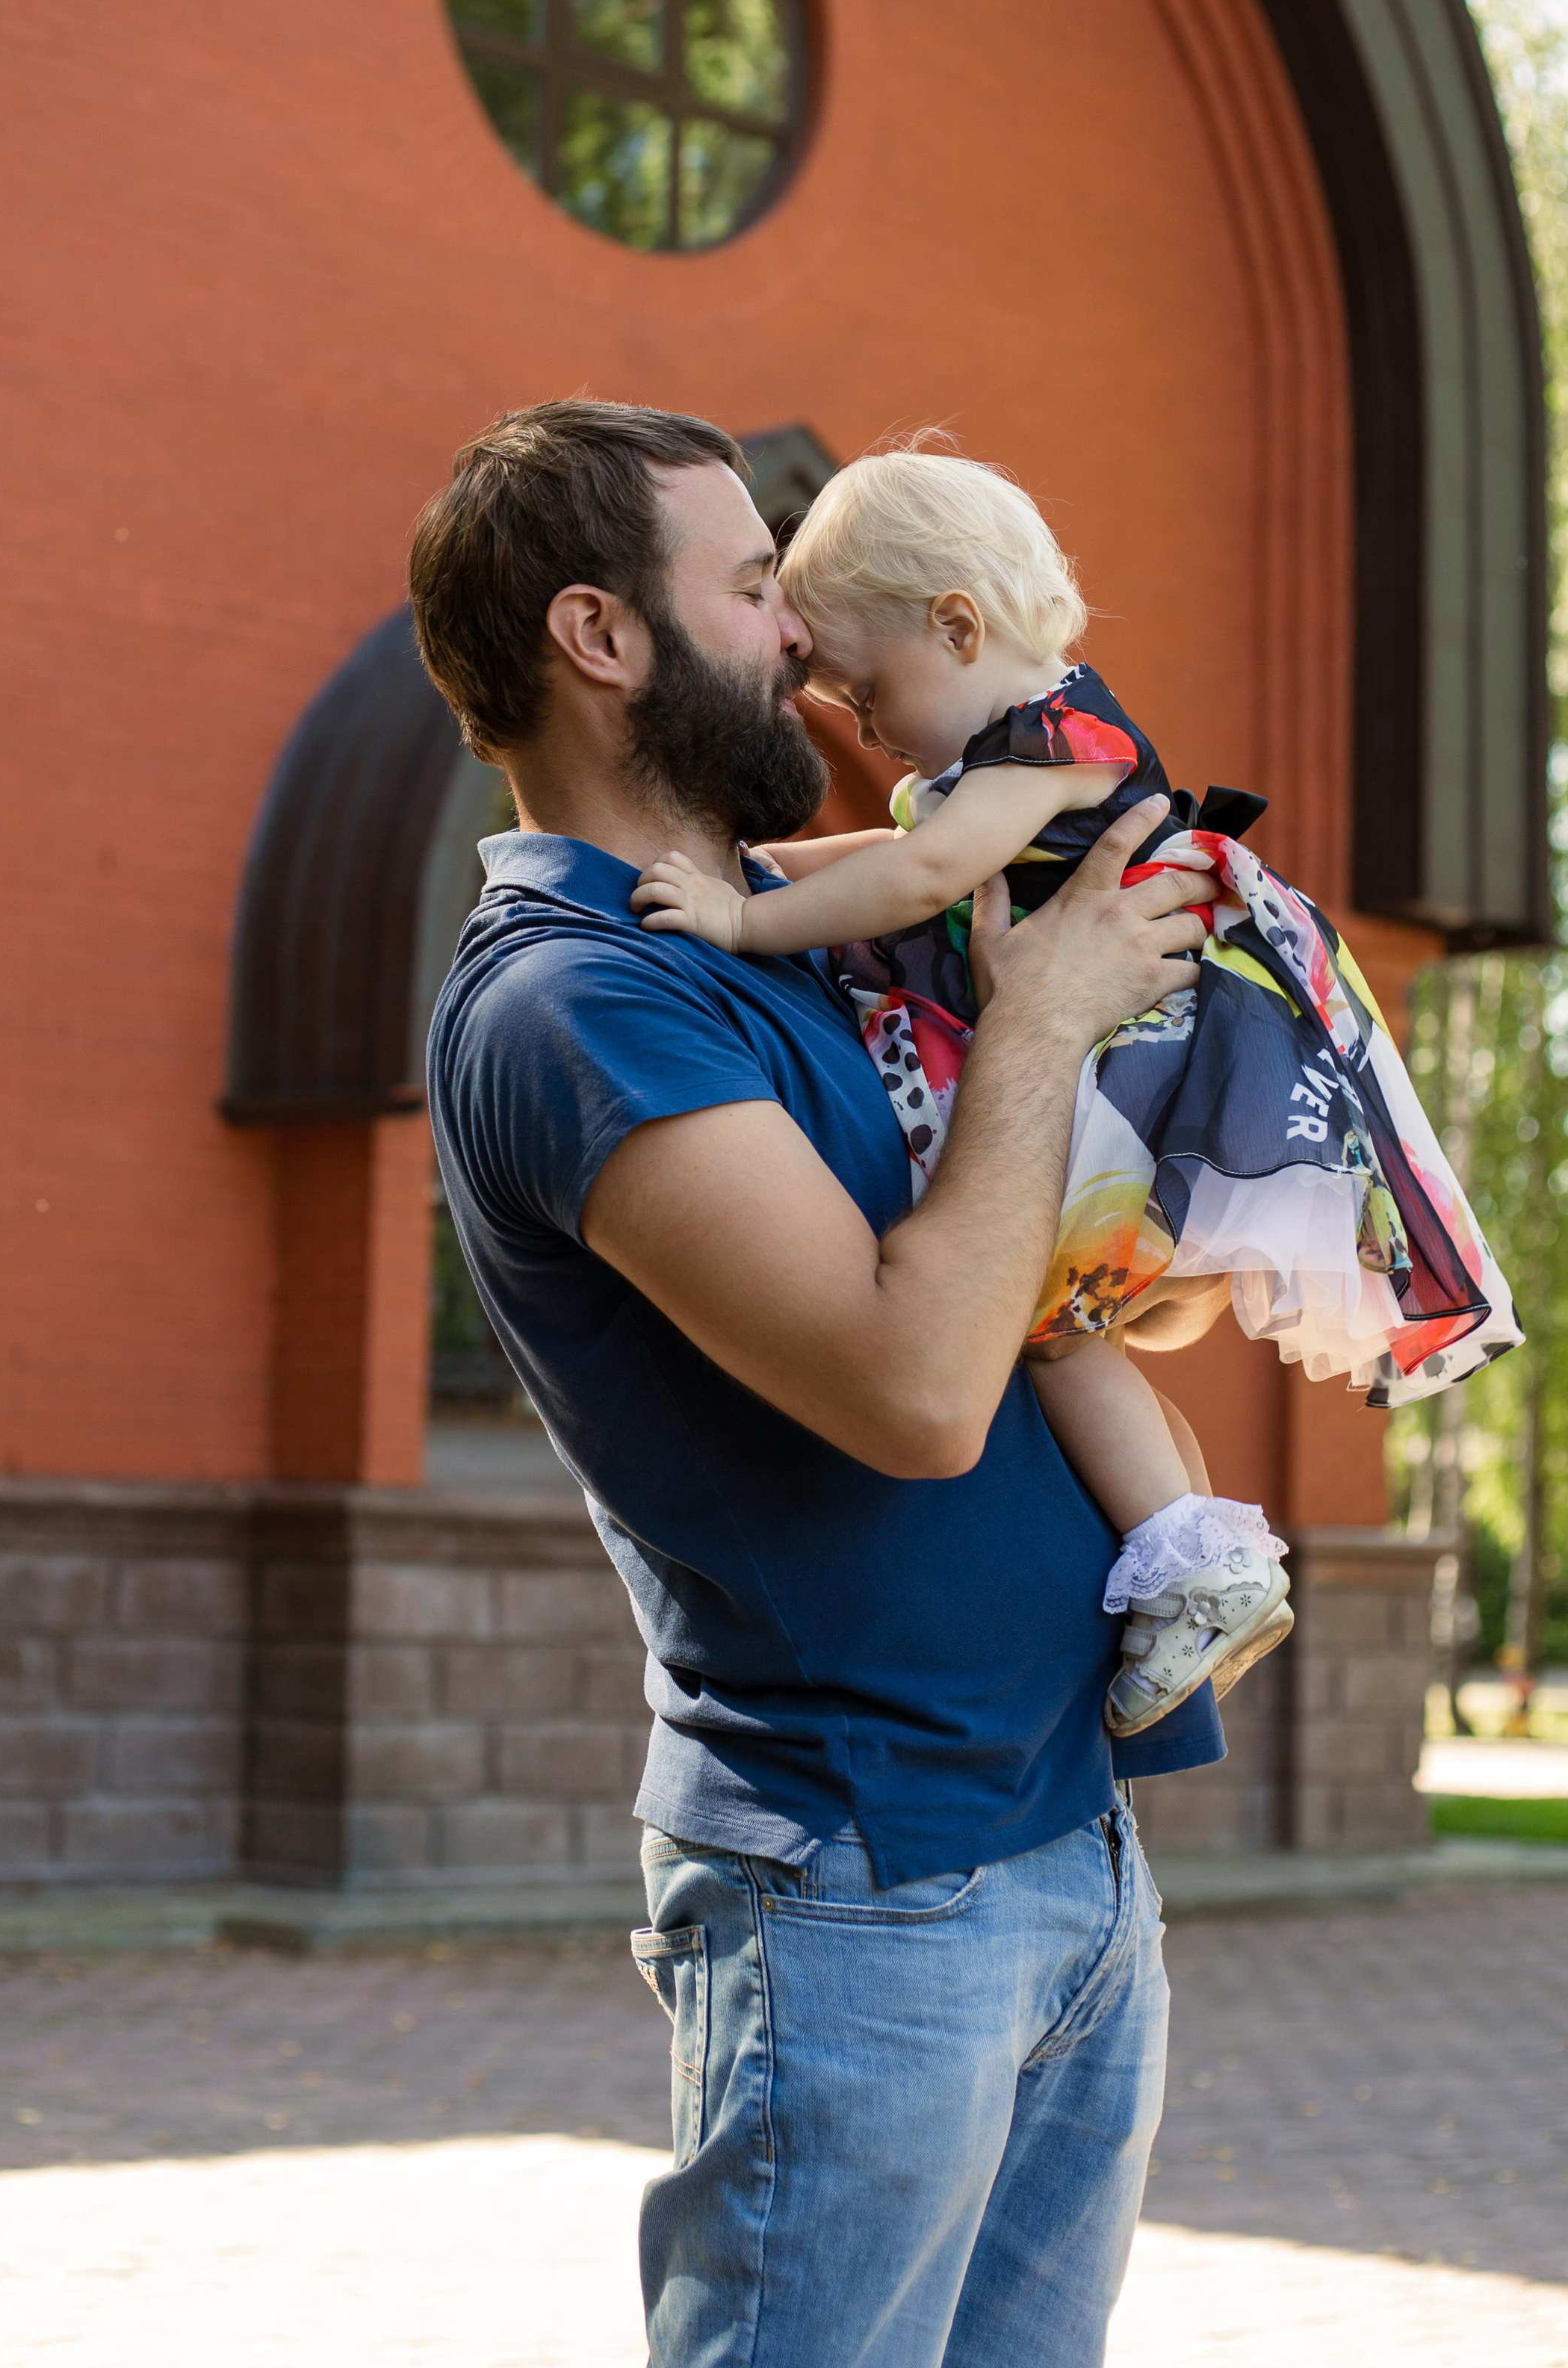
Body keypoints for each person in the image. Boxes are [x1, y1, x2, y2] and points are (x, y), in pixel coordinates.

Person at [415, 398, 1227, 2368]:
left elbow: (1063, 1298)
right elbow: (916, 1393)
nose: (802, 635)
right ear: (605, 639)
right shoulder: (575, 1003)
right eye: (754, 584)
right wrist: (1043, 1015)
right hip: (861, 1895)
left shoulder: (806, 930)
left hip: (1061, 1851)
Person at [630, 443, 1519, 1741]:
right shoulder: (1012, 759)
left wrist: (738, 918)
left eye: (868, 697)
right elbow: (894, 845)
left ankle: (1195, 1560)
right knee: (1074, 1320)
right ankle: (1190, 1545)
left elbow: (918, 873)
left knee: (1044, 1320)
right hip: (1145, 1049)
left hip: (1158, 1052)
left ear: (956, 624)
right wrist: (761, 866)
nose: (861, 729)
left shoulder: (1058, 744)